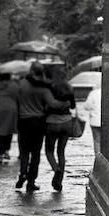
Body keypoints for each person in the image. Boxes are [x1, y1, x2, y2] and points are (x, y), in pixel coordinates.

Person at [15, 61, 70, 193]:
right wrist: (65, 103)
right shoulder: (44, 88)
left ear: (31, 71)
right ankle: (31, 181)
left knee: (24, 151)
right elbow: (53, 104)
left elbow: (15, 99)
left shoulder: (21, 84)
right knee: (35, 153)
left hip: (23, 122)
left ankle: (23, 173)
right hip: (38, 123)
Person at [44, 64, 77, 192]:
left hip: (52, 122)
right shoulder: (69, 87)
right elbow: (73, 106)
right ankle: (59, 181)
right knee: (61, 152)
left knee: (49, 151)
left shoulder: (50, 88)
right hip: (67, 122)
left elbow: (47, 106)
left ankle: (56, 169)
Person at [82, 84, 101, 156]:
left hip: (95, 120)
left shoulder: (93, 93)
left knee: (97, 141)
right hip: (108, 121)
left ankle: (98, 158)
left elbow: (86, 106)